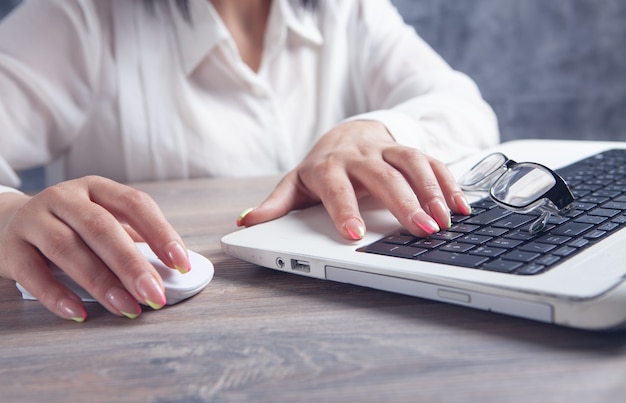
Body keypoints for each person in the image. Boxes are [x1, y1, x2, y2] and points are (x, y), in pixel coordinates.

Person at [0, 0, 498, 322]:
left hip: (341, 316)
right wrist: (8, 214)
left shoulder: (349, 13)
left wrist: (374, 131)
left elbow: (466, 109)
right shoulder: (79, 17)